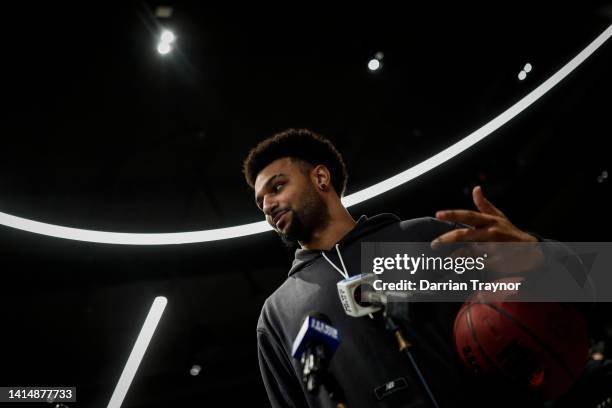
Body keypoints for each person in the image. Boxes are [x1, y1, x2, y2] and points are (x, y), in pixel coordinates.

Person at [242, 128, 603, 407]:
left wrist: (539, 258)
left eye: (277, 187)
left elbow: (597, 279)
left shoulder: (424, 239)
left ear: (321, 178)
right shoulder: (277, 314)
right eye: (260, 202)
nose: (268, 205)